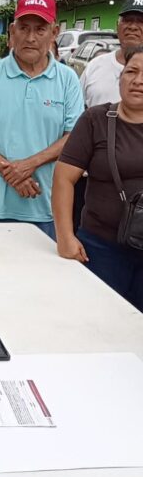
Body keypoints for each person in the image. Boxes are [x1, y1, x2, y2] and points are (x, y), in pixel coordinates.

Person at [0, 0, 84, 238]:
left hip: (44, 205)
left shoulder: (67, 79)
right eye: (23, 28)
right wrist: (12, 172)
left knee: (38, 276)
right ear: (11, 31)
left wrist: (29, 165)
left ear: (54, 32)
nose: (30, 38)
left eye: (40, 30)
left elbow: (73, 136)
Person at [53, 44, 143, 310]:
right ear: (120, 77)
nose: (138, 81)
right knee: (97, 321)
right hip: (101, 248)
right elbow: (63, 178)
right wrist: (65, 237)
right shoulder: (96, 119)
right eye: (131, 72)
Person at [80, 0, 143, 108]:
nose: (133, 27)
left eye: (141, 21)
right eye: (127, 20)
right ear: (116, 26)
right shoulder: (94, 66)